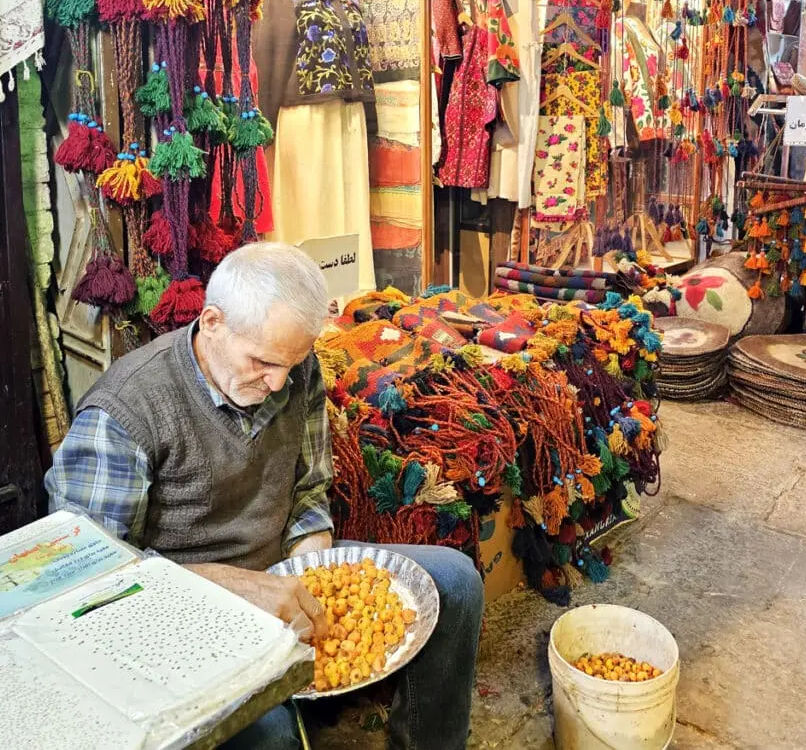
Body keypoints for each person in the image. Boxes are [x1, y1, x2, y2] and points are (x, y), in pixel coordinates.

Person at [45, 242, 484, 750]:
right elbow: (89, 584)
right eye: (262, 361)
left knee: (455, 581)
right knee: (271, 733)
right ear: (212, 322)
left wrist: (312, 565)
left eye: (291, 365)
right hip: (176, 611)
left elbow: (310, 486)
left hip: (280, 573)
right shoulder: (123, 414)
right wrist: (235, 590)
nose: (278, 382)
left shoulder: (294, 368)